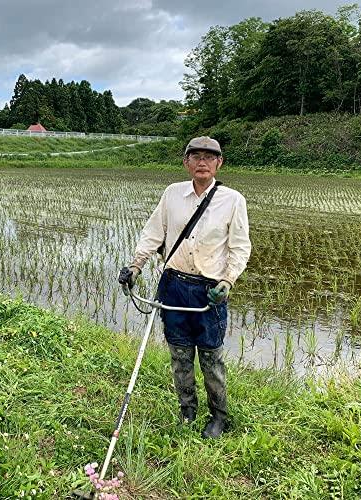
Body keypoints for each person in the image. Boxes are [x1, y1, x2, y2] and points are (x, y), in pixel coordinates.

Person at [120, 136, 251, 438]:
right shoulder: (172, 194)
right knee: (179, 354)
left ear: (219, 162)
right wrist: (135, 266)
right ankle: (187, 410)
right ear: (186, 162)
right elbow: (153, 233)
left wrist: (227, 281)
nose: (202, 162)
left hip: (209, 290)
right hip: (174, 285)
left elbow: (240, 247)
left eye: (209, 156)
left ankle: (219, 416)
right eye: (196, 156)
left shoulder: (232, 200)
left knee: (211, 356)